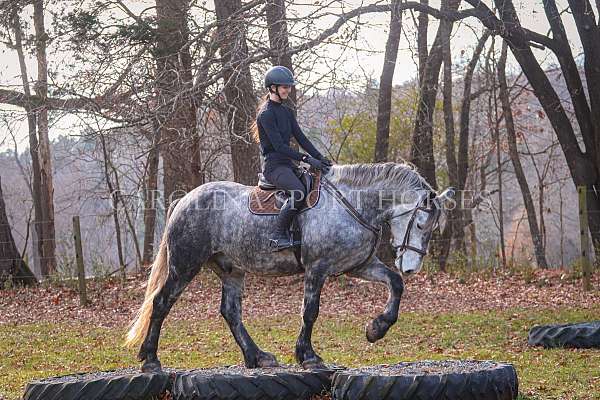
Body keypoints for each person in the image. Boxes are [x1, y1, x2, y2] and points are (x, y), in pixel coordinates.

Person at [250, 65, 333, 252]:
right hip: (274, 168)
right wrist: (306, 158)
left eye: (289, 87)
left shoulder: (287, 112)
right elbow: (279, 147)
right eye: (284, 87)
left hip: (288, 165)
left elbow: (301, 137)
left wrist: (320, 157)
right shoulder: (266, 114)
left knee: (313, 185)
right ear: (272, 88)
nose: (288, 90)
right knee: (298, 192)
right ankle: (278, 236)